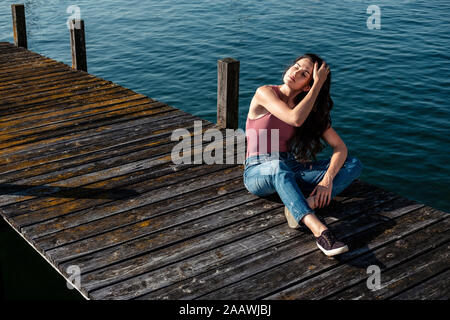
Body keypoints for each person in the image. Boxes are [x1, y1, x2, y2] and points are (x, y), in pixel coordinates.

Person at [243, 53, 363, 257]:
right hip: (258, 170)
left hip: (291, 167)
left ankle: (306, 204)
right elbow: (294, 119)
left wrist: (327, 180)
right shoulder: (265, 92)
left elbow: (340, 148)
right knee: (277, 167)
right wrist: (318, 84)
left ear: (307, 86)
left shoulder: (307, 109)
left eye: (304, 73)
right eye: (296, 66)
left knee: (353, 164)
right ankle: (321, 232)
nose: (295, 71)